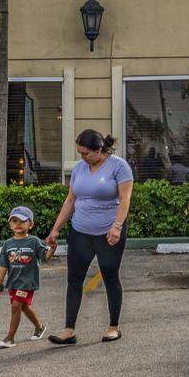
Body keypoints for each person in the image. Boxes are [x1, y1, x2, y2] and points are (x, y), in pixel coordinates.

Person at [45, 129, 133, 344]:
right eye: (79, 153)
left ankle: (113, 327)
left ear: (99, 149)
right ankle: (69, 330)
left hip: (108, 234)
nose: (82, 157)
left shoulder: (119, 166)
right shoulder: (79, 168)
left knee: (110, 277)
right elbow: (70, 201)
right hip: (80, 233)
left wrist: (117, 227)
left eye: (85, 153)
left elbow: (125, 200)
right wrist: (55, 229)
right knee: (74, 279)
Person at [0, 206, 55, 348]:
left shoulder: (34, 241)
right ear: (10, 224)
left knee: (16, 306)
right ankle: (39, 326)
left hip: (28, 282)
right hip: (13, 282)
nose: (18, 224)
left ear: (30, 224)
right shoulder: (7, 244)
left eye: (22, 221)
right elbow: (3, 265)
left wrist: (53, 248)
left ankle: (10, 338)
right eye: (14, 221)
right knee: (24, 307)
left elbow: (45, 256)